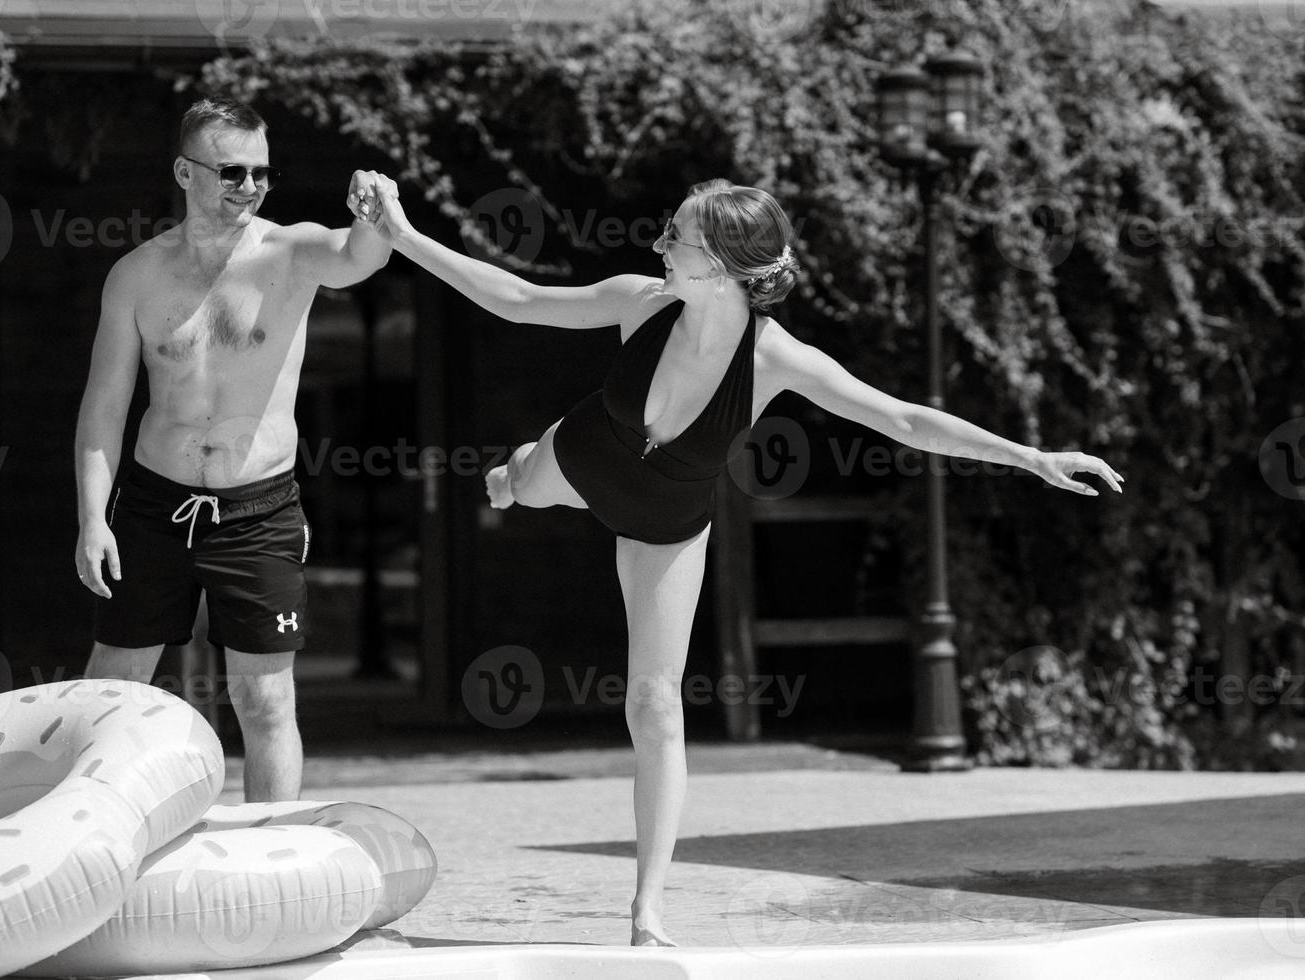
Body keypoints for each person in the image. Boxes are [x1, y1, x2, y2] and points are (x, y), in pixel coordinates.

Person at [362, 175, 1124, 945]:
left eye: (677, 238)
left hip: (664, 523)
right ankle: (516, 471)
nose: (658, 246)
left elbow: (901, 417)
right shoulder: (642, 302)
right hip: (586, 458)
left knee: (655, 705)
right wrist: (404, 236)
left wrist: (1027, 456)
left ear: (723, 265)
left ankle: (647, 907)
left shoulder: (775, 359)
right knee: (517, 484)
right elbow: (521, 299)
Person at [74, 97, 393, 803]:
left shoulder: (292, 252)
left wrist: (376, 214)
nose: (250, 186)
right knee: (110, 692)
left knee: (265, 700)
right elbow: (104, 406)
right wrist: (93, 518)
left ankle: (271, 868)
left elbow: (359, 257)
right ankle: (92, 856)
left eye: (262, 171)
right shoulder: (136, 275)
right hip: (153, 508)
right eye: (231, 171)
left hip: (257, 511)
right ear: (185, 174)